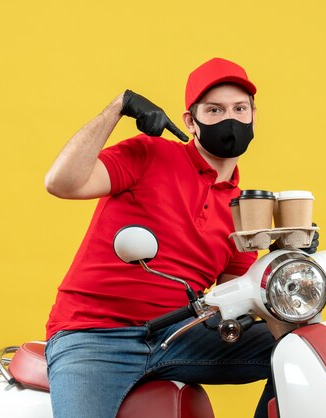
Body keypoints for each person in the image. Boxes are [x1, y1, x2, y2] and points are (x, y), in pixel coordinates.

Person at [44, 58, 303, 418]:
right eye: (214, 110)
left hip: (178, 336)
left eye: (239, 109)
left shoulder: (242, 211)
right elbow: (61, 182)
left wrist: (279, 260)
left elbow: (232, 304)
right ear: (190, 121)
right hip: (94, 335)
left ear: (253, 116)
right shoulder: (148, 153)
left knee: (301, 347)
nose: (230, 119)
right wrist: (118, 107)